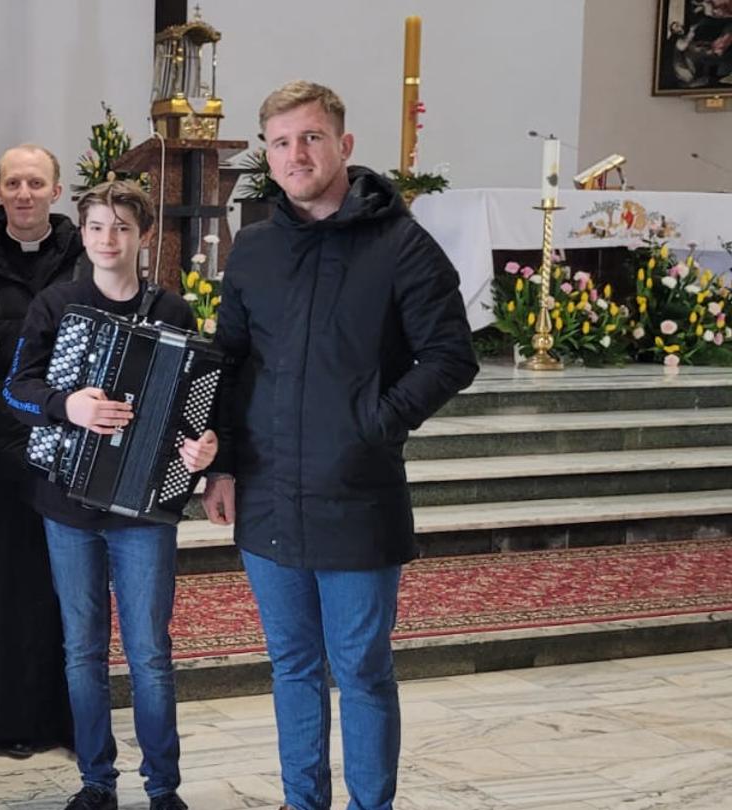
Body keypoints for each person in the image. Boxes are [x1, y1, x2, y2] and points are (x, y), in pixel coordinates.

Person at [200, 81, 478, 810]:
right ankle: (302, 801)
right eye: (283, 141)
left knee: (359, 667)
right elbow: (229, 360)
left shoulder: (400, 244)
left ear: (345, 146)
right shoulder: (255, 247)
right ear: (267, 154)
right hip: (265, 491)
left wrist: (374, 424)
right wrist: (223, 463)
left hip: (357, 495)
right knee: (291, 664)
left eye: (312, 137)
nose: (297, 153)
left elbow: (451, 354)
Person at [4, 180, 215, 810]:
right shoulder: (57, 303)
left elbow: (197, 407)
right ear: (83, 231)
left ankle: (163, 787)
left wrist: (203, 449)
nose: (108, 240)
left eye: (122, 228)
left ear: (143, 236)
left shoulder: (173, 311)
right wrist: (67, 404)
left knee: (150, 652)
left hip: (145, 510)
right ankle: (97, 782)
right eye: (97, 226)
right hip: (68, 504)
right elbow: (17, 389)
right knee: (83, 650)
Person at [0, 144, 85, 758]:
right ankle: (0, 718)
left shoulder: (85, 257)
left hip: (71, 441)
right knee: (0, 584)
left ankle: (63, 715)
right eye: (12, 183)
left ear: (57, 191)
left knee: (65, 584)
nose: (23, 193)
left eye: (35, 182)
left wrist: (2, 346)